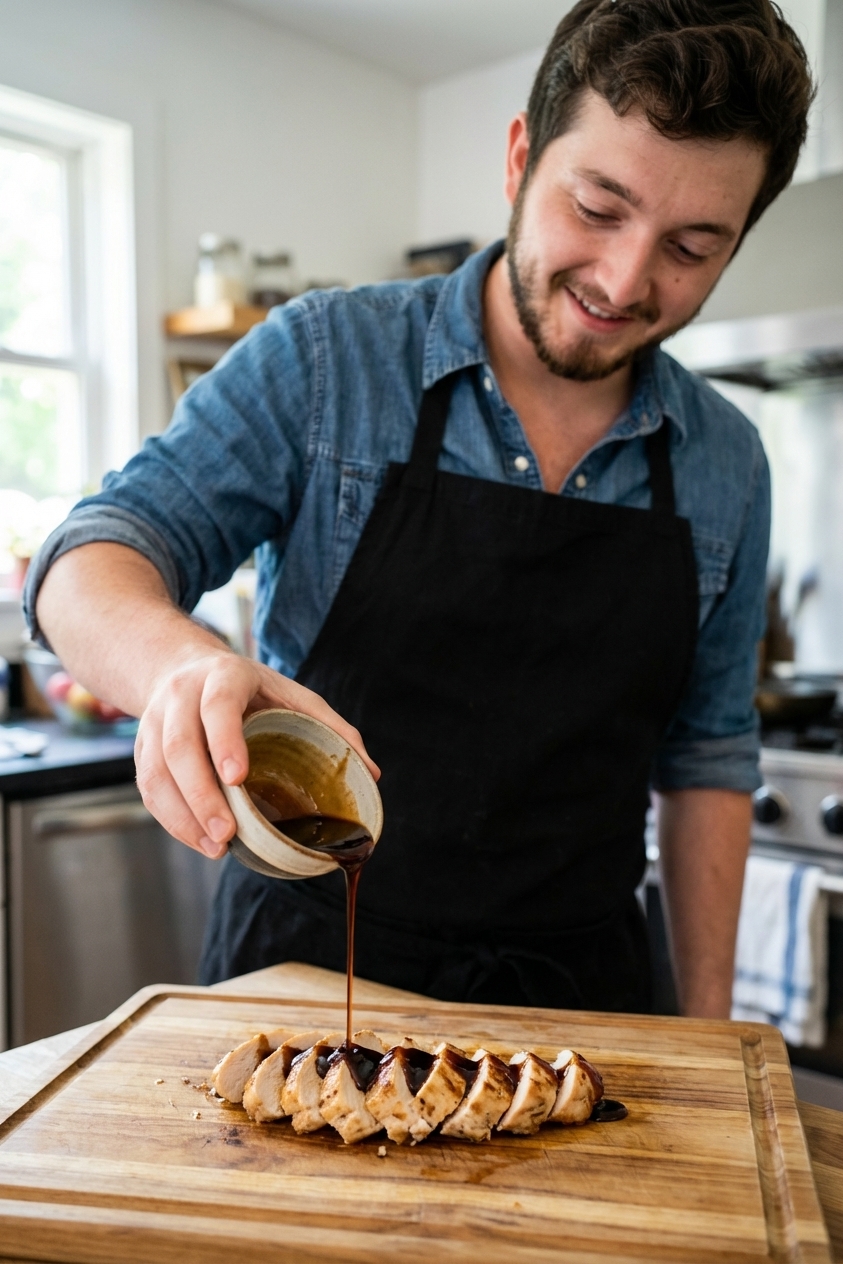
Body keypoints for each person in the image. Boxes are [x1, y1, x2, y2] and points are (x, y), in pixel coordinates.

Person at [26, 0, 814, 1017]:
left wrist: (709, 1040)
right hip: (305, 991)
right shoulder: (326, 360)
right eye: (599, 207)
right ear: (521, 157)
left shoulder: (729, 461)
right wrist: (182, 665)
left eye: (693, 246)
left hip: (581, 1015)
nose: (624, 280)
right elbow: (91, 556)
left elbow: (708, 756)